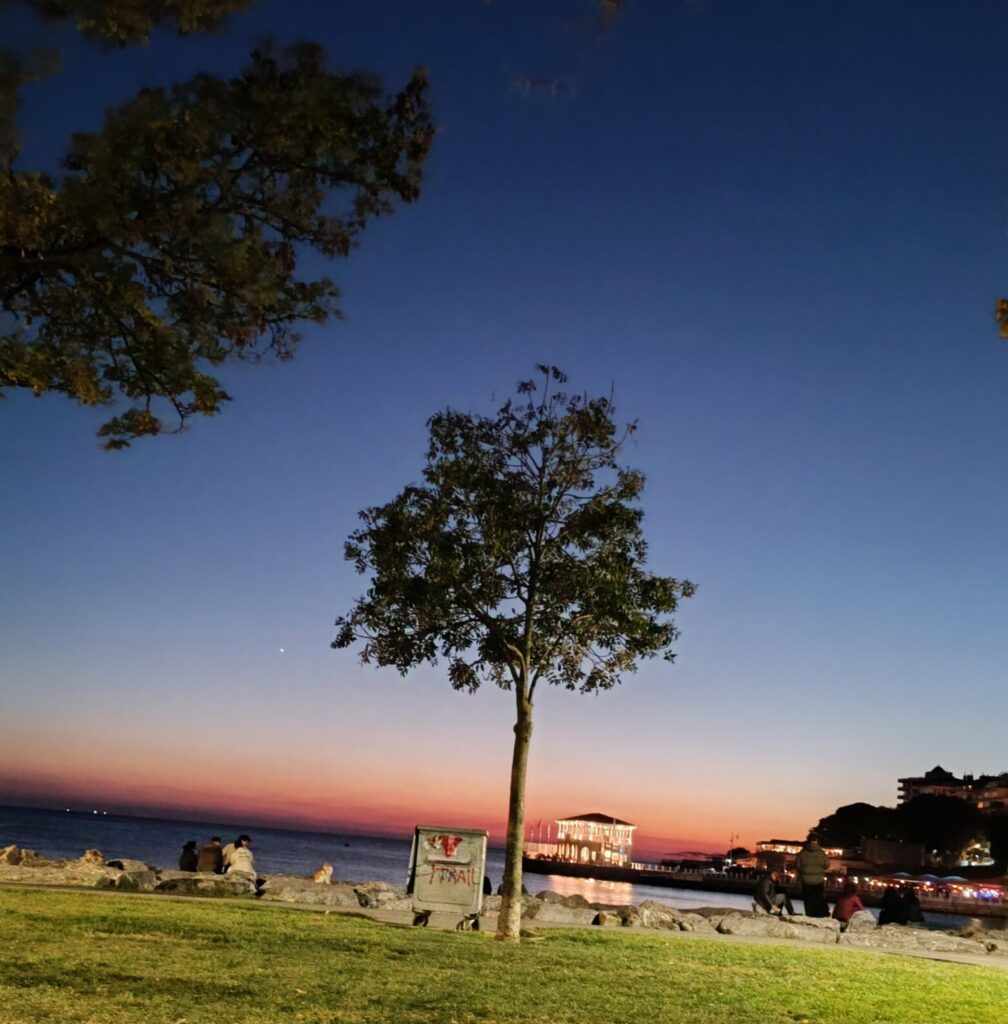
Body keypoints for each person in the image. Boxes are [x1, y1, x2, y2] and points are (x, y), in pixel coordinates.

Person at [794, 833, 829, 917]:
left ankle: (809, 914)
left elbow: (797, 866)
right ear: (817, 841)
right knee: (819, 898)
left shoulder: (801, 853)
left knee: (808, 899)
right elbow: (826, 865)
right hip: (818, 880)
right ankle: (819, 914)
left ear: (808, 840)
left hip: (806, 880)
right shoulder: (821, 853)